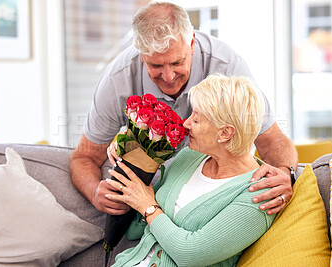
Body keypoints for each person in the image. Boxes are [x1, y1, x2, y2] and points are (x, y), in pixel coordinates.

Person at [69, 1, 297, 219]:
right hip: (148, 198)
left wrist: (285, 173)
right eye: (155, 65)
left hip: (215, 195)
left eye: (177, 62)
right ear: (141, 55)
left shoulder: (228, 67)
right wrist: (95, 192)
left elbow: (272, 141)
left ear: (192, 44)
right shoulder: (118, 78)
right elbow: (84, 156)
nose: (168, 77)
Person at [105, 74, 276, 266]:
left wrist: (148, 207)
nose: (186, 124)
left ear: (225, 133)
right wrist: (130, 154)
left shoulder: (258, 195)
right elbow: (134, 230)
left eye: (196, 119)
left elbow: (190, 254)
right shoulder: (189, 157)